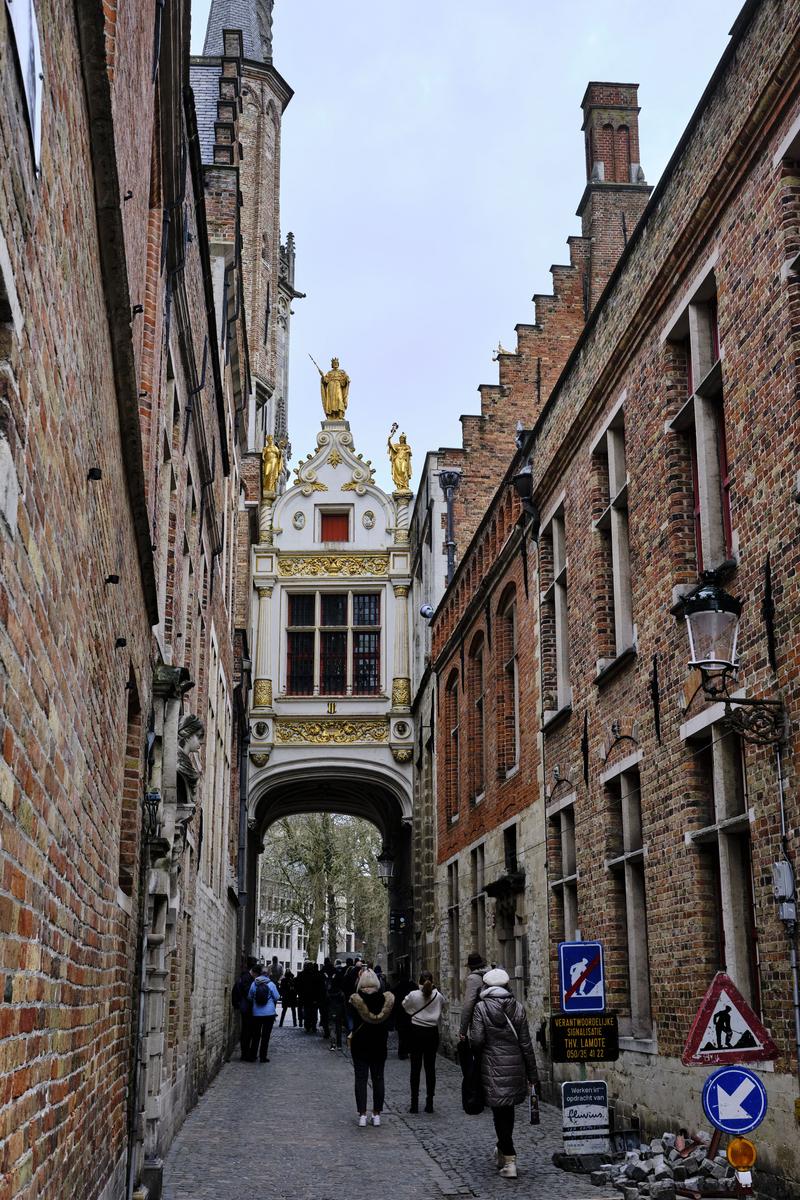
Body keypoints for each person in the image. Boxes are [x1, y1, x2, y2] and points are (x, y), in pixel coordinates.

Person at [468, 967, 540, 1180]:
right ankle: (502, 1152)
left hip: (492, 1067)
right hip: (515, 1066)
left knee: (500, 1113)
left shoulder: (481, 1008)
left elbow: (478, 1040)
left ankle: (509, 1158)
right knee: (506, 1112)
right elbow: (526, 1043)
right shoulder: (517, 1007)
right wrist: (533, 1075)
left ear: (486, 987)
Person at [349, 969, 394, 1127]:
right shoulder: (385, 1001)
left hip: (360, 1044)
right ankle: (376, 1114)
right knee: (378, 1078)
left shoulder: (355, 1000)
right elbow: (389, 1024)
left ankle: (362, 1114)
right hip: (379, 1044)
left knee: (361, 1079)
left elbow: (350, 1021)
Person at [402, 970, 445, 1113]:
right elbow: (441, 1008)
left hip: (416, 1032)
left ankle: (414, 1103)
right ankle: (429, 1103)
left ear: (419, 981)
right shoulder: (438, 996)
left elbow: (405, 1005)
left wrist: (414, 1013)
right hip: (431, 1033)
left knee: (415, 1068)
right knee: (430, 1068)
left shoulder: (414, 995)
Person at [246, 965, 280, 1063]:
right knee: (266, 1036)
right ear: (268, 974)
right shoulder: (271, 984)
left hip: (256, 1013)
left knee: (256, 1035)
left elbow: (249, 996)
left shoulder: (254, 983)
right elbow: (277, 997)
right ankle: (263, 1057)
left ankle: (253, 1056)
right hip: (269, 1014)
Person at [459, 951, 489, 1041]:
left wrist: (462, 1030)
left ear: (471, 967)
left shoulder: (473, 978)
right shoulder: (489, 975)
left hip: (479, 1020)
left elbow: (468, 1005)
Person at [231, 959, 257, 1060]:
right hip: (247, 1008)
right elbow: (248, 993)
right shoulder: (247, 978)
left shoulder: (244, 976)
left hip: (245, 1007)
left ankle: (246, 1052)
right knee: (247, 1031)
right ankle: (245, 1053)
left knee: (247, 1030)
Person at [392, 973, 415, 1059]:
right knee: (410, 1034)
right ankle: (410, 1050)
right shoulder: (413, 986)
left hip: (400, 1016)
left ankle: (402, 1053)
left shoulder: (396, 988)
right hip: (410, 1015)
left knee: (402, 1036)